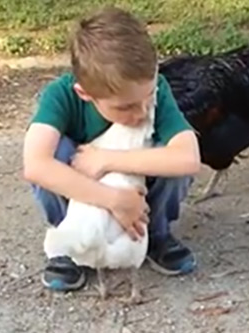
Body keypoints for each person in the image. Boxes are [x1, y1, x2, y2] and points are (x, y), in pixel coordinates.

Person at [22, 7, 201, 292]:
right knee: (55, 154)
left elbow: (189, 157)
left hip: (133, 190)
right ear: (85, 93)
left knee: (168, 154)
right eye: (126, 106)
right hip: (85, 195)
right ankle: (70, 244)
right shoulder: (60, 95)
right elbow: (35, 164)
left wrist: (107, 160)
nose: (142, 111)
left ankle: (155, 232)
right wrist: (114, 200)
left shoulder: (157, 90)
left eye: (148, 96)